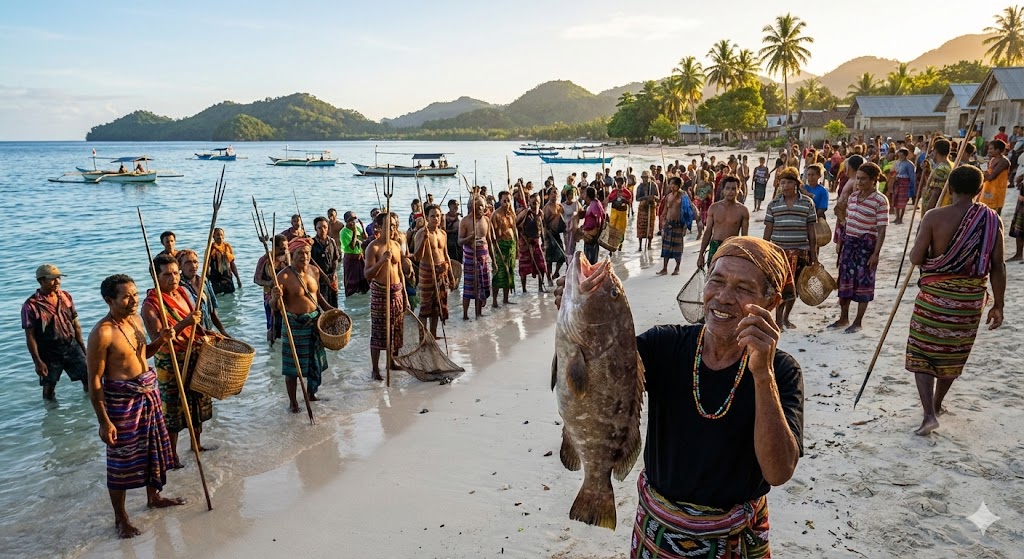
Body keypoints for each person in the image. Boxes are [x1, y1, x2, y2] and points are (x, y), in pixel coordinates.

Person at [551, 236, 802, 557]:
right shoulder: (665, 345)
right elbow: (602, 367)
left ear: (771, 301)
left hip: (734, 540)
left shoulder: (782, 371)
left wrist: (762, 374)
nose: (723, 297)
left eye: (743, 289)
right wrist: (578, 314)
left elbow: (778, 472)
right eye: (717, 280)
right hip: (658, 532)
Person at [906, 165, 1005, 436]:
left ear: (950, 188)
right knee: (953, 352)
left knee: (922, 352)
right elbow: (998, 265)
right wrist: (999, 304)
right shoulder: (992, 219)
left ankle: (928, 414)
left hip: (935, 297)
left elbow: (916, 258)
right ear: (978, 189)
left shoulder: (934, 216)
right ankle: (938, 405)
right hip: (970, 301)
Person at [86, 274, 184, 539]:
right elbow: (94, 379)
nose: (133, 300)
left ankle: (154, 496)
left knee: (154, 447)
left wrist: (162, 340)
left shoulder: (136, 320)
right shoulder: (102, 332)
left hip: (148, 393)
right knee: (121, 461)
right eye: (126, 296)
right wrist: (104, 421)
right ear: (109, 300)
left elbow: (144, 354)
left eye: (135, 294)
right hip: (121, 400)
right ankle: (121, 518)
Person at [140, 254, 212, 467]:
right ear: (156, 276)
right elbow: (158, 340)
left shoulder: (182, 292)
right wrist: (184, 322)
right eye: (167, 274)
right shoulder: (151, 305)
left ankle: (196, 444)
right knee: (173, 410)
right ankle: (172, 455)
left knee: (196, 401)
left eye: (175, 273)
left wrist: (208, 333)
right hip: (170, 361)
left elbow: (194, 324)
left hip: (193, 354)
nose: (173, 278)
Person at [270, 237, 332, 410]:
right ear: (292, 254)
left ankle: (312, 393)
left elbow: (317, 296)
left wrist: (328, 308)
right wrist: (275, 298)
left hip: (313, 321)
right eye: (299, 253)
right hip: (294, 325)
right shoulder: (283, 276)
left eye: (306, 252)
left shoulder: (314, 271)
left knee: (314, 361)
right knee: (292, 367)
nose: (304, 256)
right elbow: (274, 308)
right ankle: (293, 402)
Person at [829, 162, 888, 333]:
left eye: (863, 179)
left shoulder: (880, 200)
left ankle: (858, 322)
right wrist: (841, 242)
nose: (859, 182)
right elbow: (846, 219)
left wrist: (876, 253)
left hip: (866, 246)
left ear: (873, 180)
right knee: (844, 282)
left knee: (864, 283)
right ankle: (843, 318)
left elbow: (882, 228)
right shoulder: (854, 197)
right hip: (849, 243)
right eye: (858, 179)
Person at [22, 264, 88, 400]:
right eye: (52, 279)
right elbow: (30, 337)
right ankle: (50, 415)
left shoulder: (65, 296)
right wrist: (37, 362)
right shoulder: (31, 305)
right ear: (41, 281)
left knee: (88, 378)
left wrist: (83, 347)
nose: (57, 281)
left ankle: (90, 409)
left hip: (71, 346)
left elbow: (76, 324)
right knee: (49, 387)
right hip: (49, 351)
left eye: (58, 278)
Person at [764, 167, 818, 330]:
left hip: (801, 252)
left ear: (797, 183)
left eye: (789, 182)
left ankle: (786, 318)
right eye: (782, 182)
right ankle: (778, 321)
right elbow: (768, 231)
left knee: (795, 289)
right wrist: (763, 252)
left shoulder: (807, 203)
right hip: (778, 254)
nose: (785, 185)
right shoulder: (773, 204)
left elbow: (811, 232)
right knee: (780, 288)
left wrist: (814, 256)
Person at [364, 212, 406, 380]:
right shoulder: (372, 247)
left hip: (397, 291)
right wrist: (382, 261)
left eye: (394, 225)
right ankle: (375, 368)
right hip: (381, 292)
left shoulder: (395, 245)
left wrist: (405, 295)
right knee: (379, 332)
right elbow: (367, 274)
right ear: (379, 227)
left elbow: (400, 271)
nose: (392, 228)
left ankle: (391, 361)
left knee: (396, 329)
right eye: (389, 226)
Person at [415, 204, 452, 339]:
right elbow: (417, 257)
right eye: (432, 216)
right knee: (425, 308)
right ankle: (423, 338)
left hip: (442, 271)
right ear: (426, 218)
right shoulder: (421, 233)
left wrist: (451, 276)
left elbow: (446, 255)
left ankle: (433, 334)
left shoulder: (442, 233)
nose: (436, 219)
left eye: (438, 215)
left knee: (438, 307)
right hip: (427, 272)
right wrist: (424, 240)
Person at [698, 177, 750, 270]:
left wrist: (744, 257)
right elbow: (708, 231)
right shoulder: (714, 208)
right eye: (727, 188)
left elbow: (744, 238)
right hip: (715, 246)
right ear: (723, 190)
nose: (730, 191)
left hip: (732, 247)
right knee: (712, 276)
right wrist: (701, 254)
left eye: (734, 189)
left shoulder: (743, 211)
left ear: (738, 190)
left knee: (729, 278)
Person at [176, 250, 228, 336]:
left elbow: (212, 311)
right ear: (180, 266)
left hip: (207, 331)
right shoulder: (178, 286)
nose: (193, 265)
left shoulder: (204, 281)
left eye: (195, 262)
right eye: (188, 263)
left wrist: (223, 332)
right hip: (190, 335)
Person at [460, 196, 492, 320]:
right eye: (477, 205)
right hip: (470, 257)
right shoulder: (465, 221)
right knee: (468, 287)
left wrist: (493, 261)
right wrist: (469, 238)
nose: (480, 208)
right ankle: (465, 315)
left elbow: (489, 240)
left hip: (483, 256)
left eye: (482, 206)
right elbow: (459, 241)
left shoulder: (486, 220)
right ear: (472, 207)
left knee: (482, 286)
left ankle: (478, 313)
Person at [254, 234, 288, 345]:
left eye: (285, 248)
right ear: (275, 248)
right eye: (281, 248)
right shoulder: (265, 259)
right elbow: (256, 279)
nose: (284, 250)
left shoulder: (287, 257)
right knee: (272, 323)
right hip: (270, 295)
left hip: (286, 294)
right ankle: (271, 348)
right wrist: (270, 283)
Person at [656, 177, 692, 276]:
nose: (671, 186)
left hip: (678, 225)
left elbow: (687, 212)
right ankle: (664, 268)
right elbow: (664, 211)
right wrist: (662, 222)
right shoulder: (668, 196)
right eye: (670, 184)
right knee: (666, 248)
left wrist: (685, 227)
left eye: (673, 184)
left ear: (678, 185)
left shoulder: (683, 197)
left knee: (677, 249)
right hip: (668, 224)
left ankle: (677, 268)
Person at [490, 191, 518, 307]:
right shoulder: (496, 215)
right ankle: (494, 301)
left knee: (509, 273)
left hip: (511, 245)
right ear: (500, 201)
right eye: (504, 201)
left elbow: (515, 230)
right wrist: (498, 251)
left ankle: (506, 299)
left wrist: (517, 246)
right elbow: (493, 236)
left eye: (508, 200)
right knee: (499, 274)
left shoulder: (512, 214)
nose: (507, 203)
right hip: (500, 246)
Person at [516, 194, 548, 293]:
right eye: (533, 202)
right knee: (524, 267)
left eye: (537, 202)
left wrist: (544, 241)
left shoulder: (540, 213)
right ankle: (524, 289)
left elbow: (541, 227)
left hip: (536, 241)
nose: (536, 205)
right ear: (529, 202)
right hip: (525, 243)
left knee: (541, 265)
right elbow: (516, 225)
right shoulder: (525, 213)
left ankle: (540, 287)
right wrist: (523, 238)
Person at [311, 216, 342, 308]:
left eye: (324, 227)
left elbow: (335, 259)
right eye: (319, 228)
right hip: (318, 279)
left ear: (328, 227)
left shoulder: (331, 241)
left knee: (334, 302)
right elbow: (311, 263)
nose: (322, 230)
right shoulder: (312, 244)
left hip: (332, 278)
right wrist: (323, 276)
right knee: (321, 303)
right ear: (315, 229)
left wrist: (333, 272)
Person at [340, 211, 370, 297]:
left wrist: (362, 227)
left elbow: (365, 237)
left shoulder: (357, 228)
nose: (352, 222)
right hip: (351, 259)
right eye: (350, 220)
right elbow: (352, 246)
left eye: (354, 219)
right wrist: (354, 233)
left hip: (359, 257)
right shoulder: (343, 232)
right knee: (351, 282)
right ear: (346, 221)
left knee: (363, 281)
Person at [920, 138, 952, 215]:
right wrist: (928, 170)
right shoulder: (947, 165)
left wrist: (928, 214)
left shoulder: (941, 169)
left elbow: (936, 194)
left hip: (936, 212)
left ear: (936, 151)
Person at [979, 139, 1010, 216]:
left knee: (993, 215)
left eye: (991, 149)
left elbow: (991, 177)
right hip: (988, 190)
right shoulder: (992, 160)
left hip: (997, 192)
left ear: (998, 150)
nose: (989, 151)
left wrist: (984, 170)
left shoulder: (1003, 161)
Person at [543, 186, 567, 283]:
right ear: (548, 195)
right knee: (549, 260)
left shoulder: (559, 206)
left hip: (557, 234)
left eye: (556, 193)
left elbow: (562, 220)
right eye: (552, 193)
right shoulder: (546, 208)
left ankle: (556, 272)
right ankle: (549, 278)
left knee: (562, 257)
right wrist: (545, 238)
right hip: (549, 235)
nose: (555, 195)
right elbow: (544, 223)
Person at [208, 228, 242, 295]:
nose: (220, 237)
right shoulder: (210, 249)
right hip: (216, 279)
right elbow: (206, 265)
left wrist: (238, 278)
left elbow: (232, 264)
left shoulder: (227, 247)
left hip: (228, 278)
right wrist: (207, 280)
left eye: (221, 235)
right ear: (213, 236)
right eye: (218, 235)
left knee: (230, 299)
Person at [889, 149, 916, 224]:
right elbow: (893, 172)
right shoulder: (897, 162)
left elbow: (912, 176)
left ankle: (900, 218)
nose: (899, 154)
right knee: (896, 200)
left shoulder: (909, 164)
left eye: (901, 153)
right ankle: (896, 217)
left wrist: (912, 187)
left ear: (904, 154)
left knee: (902, 202)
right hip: (897, 183)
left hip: (905, 184)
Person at [579, 186, 605, 265]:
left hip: (592, 237)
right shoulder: (596, 203)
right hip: (592, 236)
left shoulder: (594, 206)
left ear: (587, 195)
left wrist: (595, 233)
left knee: (590, 263)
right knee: (590, 261)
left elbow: (599, 220)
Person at [635, 172, 660, 251]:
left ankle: (649, 244)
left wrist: (652, 197)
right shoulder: (640, 187)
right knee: (641, 226)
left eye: (646, 177)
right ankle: (640, 246)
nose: (645, 179)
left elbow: (658, 197)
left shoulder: (653, 185)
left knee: (650, 226)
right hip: (642, 208)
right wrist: (645, 198)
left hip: (651, 207)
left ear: (649, 177)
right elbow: (637, 198)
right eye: (643, 177)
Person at [607, 177, 632, 252]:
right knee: (612, 228)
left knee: (621, 229)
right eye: (617, 183)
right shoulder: (614, 191)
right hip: (614, 211)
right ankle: (611, 246)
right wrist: (615, 197)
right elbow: (609, 200)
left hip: (622, 213)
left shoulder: (627, 192)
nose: (619, 185)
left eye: (620, 183)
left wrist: (624, 199)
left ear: (623, 183)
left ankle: (620, 244)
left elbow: (629, 202)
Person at [444, 199, 463, 263]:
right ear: (450, 206)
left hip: (458, 241)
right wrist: (453, 231)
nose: (456, 207)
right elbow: (442, 230)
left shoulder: (460, 217)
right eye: (454, 205)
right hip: (449, 241)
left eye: (457, 205)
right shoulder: (444, 217)